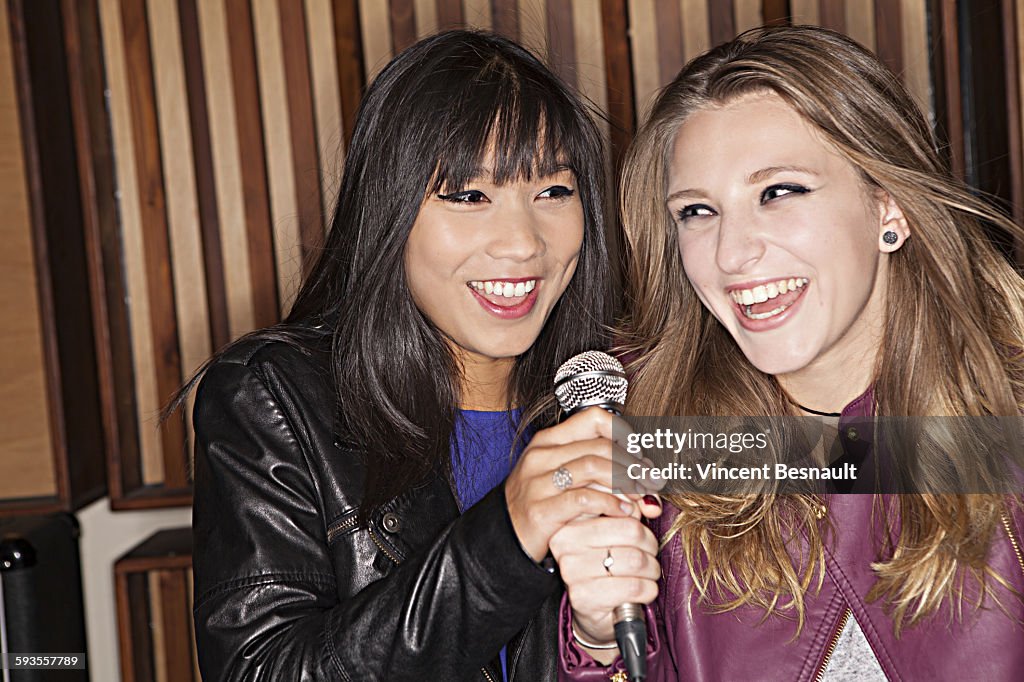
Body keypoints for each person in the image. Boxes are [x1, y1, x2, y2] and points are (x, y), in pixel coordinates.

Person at [186, 29, 660, 681]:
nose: (523, 243)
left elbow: (832, 463)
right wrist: (507, 538)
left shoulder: (626, 385)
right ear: (390, 208)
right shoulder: (275, 397)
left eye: (553, 191)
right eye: (469, 196)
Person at [556, 26, 1024, 681]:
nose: (731, 253)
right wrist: (597, 640)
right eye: (697, 211)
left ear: (888, 205)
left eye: (779, 192)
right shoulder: (656, 450)